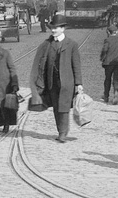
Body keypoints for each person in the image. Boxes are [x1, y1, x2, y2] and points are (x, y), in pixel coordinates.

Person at [30, 15, 84, 143]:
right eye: (52, 28)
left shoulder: (72, 45)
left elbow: (76, 65)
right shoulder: (47, 44)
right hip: (51, 82)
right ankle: (60, 130)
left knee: (63, 107)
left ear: (63, 28)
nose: (53, 30)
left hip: (66, 82)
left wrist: (79, 83)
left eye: (56, 28)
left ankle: (63, 133)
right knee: (56, 107)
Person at [99, 23, 118, 105]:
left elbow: (104, 50)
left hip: (108, 63)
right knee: (116, 79)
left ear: (108, 32)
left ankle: (106, 96)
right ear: (117, 32)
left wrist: (102, 58)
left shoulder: (107, 40)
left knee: (107, 79)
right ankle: (116, 92)